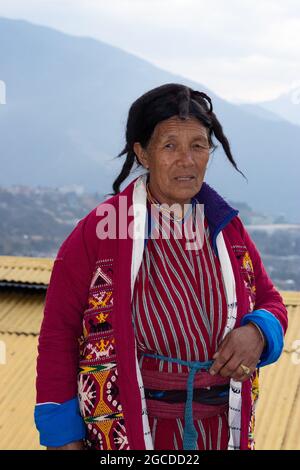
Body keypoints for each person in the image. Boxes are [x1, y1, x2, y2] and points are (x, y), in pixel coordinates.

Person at [34, 83, 288, 450]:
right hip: (134, 430)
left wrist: (259, 332)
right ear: (143, 153)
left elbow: (271, 302)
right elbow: (58, 333)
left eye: (198, 145)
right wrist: (61, 437)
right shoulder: (101, 233)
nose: (186, 160)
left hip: (219, 430)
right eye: (170, 146)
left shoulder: (225, 227)